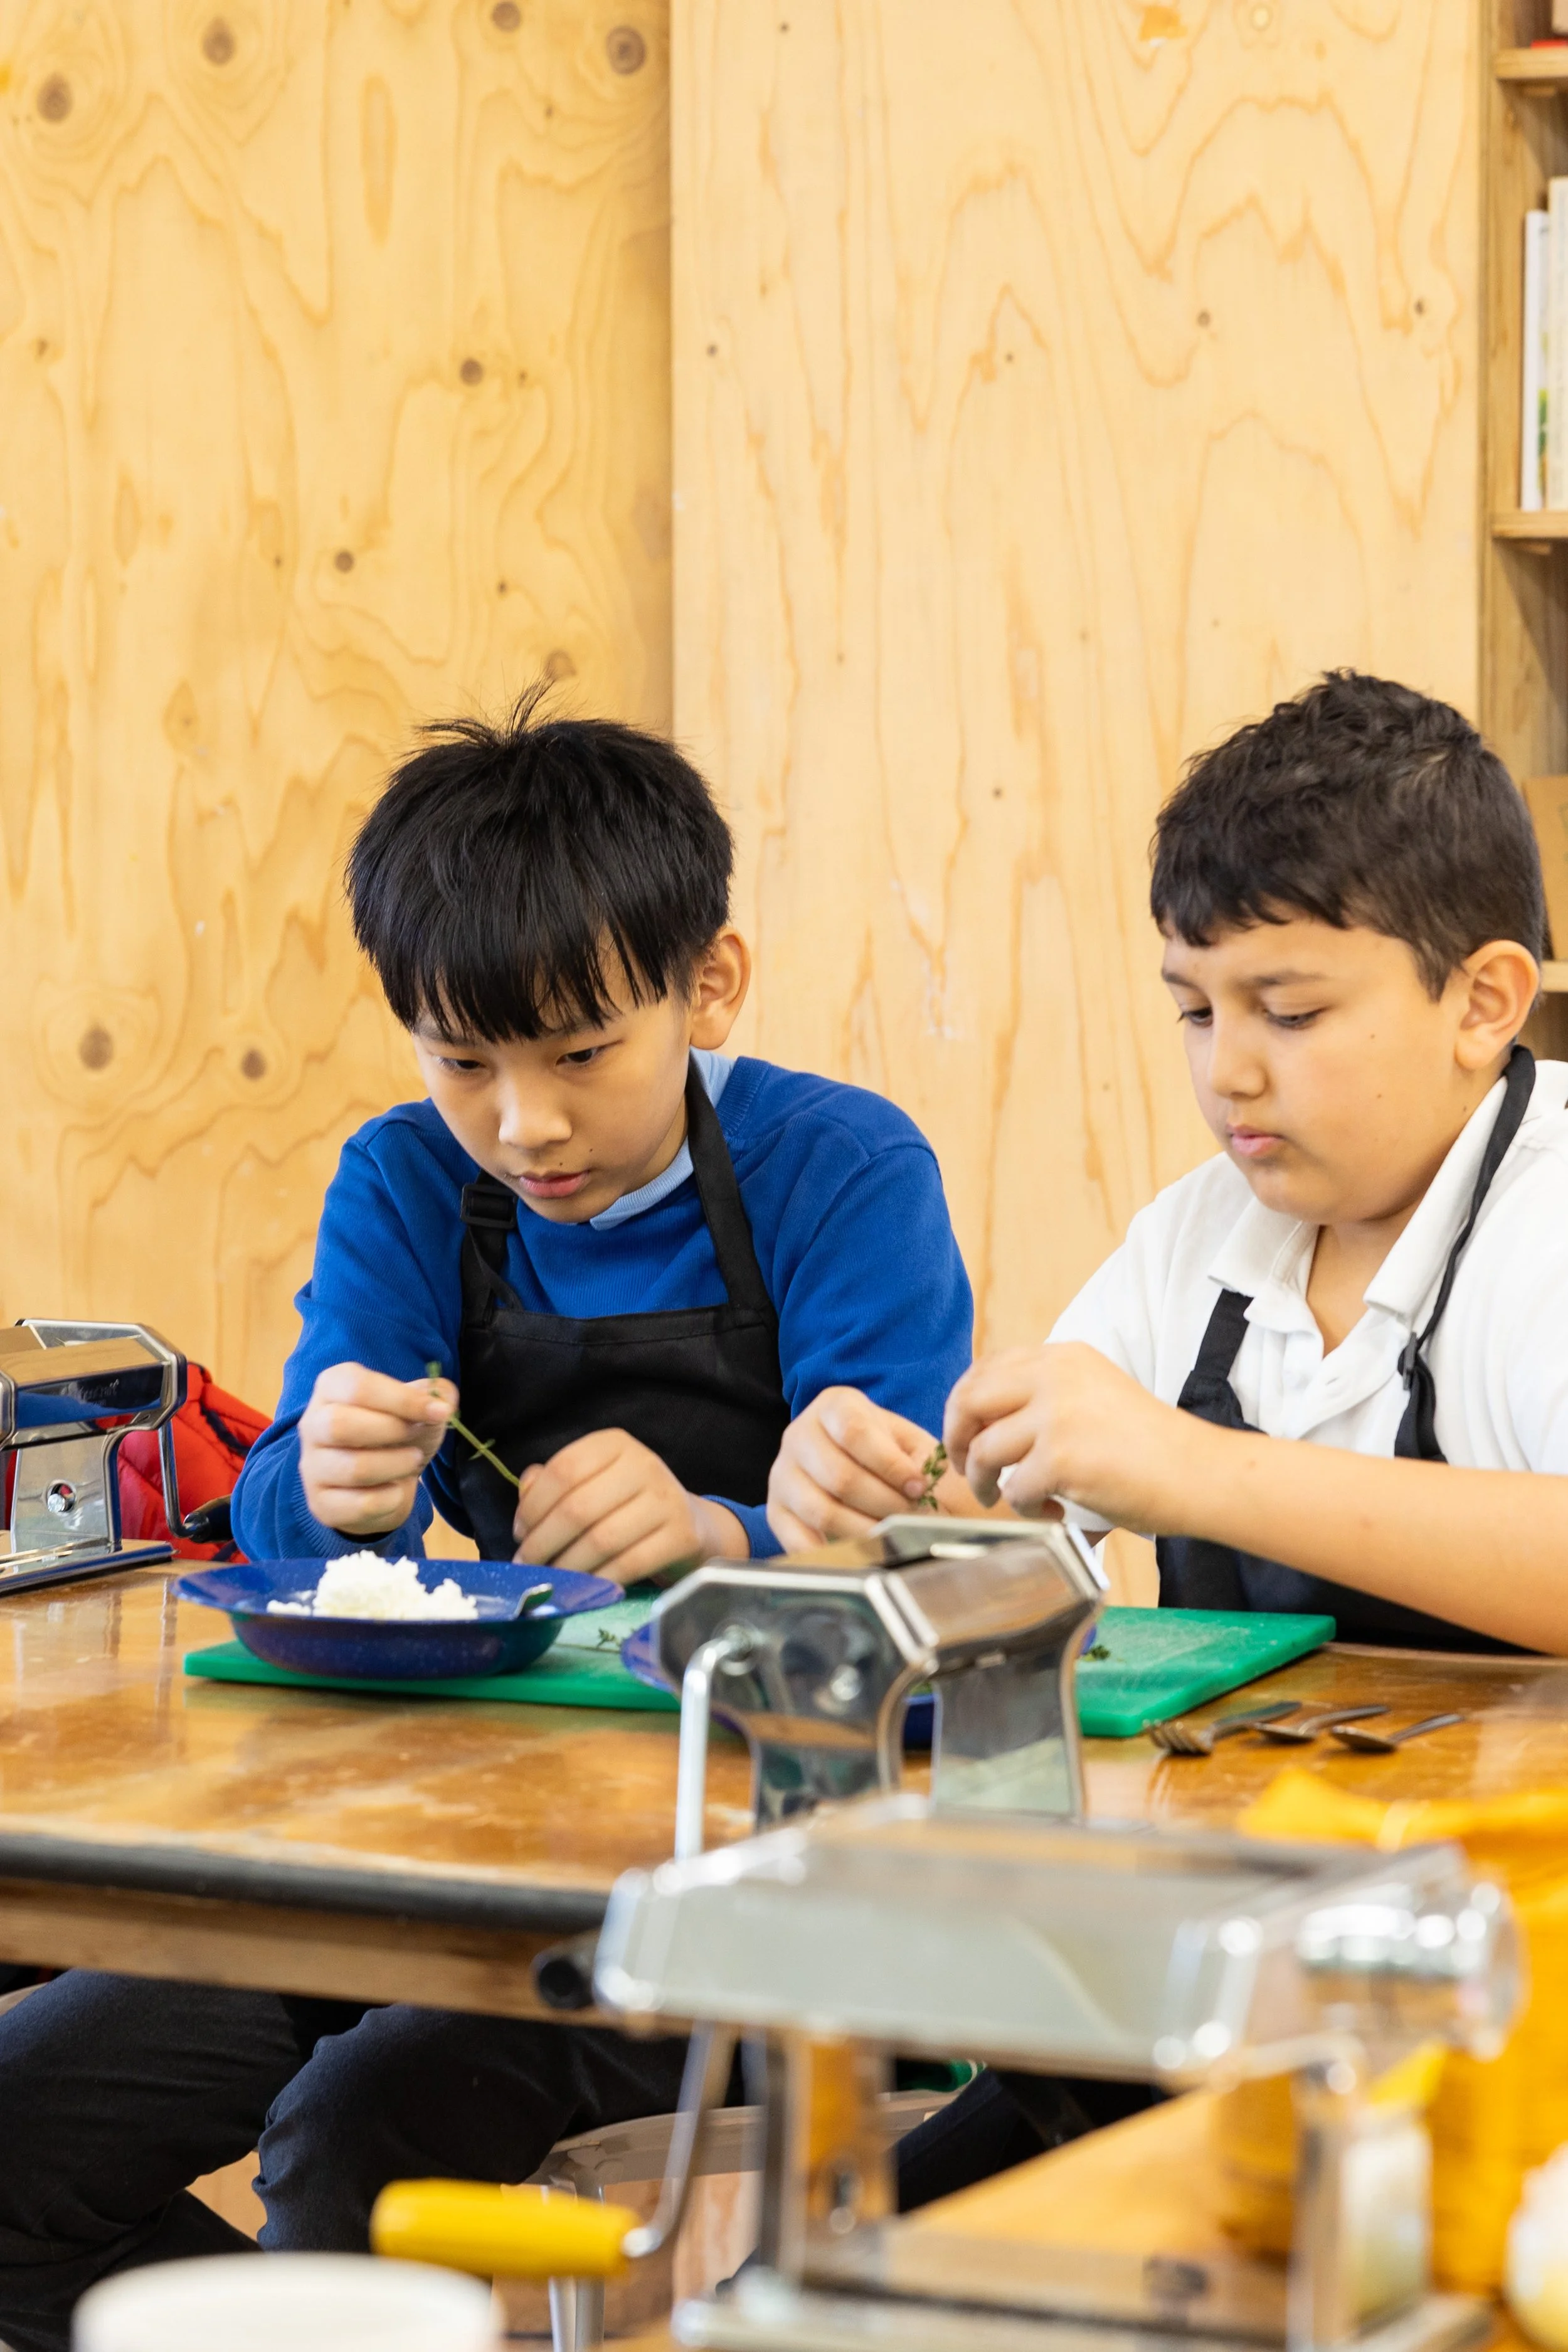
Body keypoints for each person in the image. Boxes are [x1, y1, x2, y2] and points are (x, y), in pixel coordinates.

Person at [0, 696, 972, 2352]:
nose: (524, 1122)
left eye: (579, 1053)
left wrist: (718, 1527)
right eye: (464, 1060)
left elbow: (919, 1571)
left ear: (708, 984)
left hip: (744, 1873)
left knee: (360, 2132)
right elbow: (276, 1527)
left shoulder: (841, 1169)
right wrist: (331, 1476)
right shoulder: (402, 1182)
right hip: (421, 1844)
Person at [775, 670, 1568, 1658]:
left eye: (1289, 1014)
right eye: (1196, 1012)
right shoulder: (1193, 1237)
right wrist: (899, 1511)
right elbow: (1028, 1545)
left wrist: (1194, 1468)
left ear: (1484, 1002)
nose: (1225, 1071)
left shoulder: (1548, 1221)